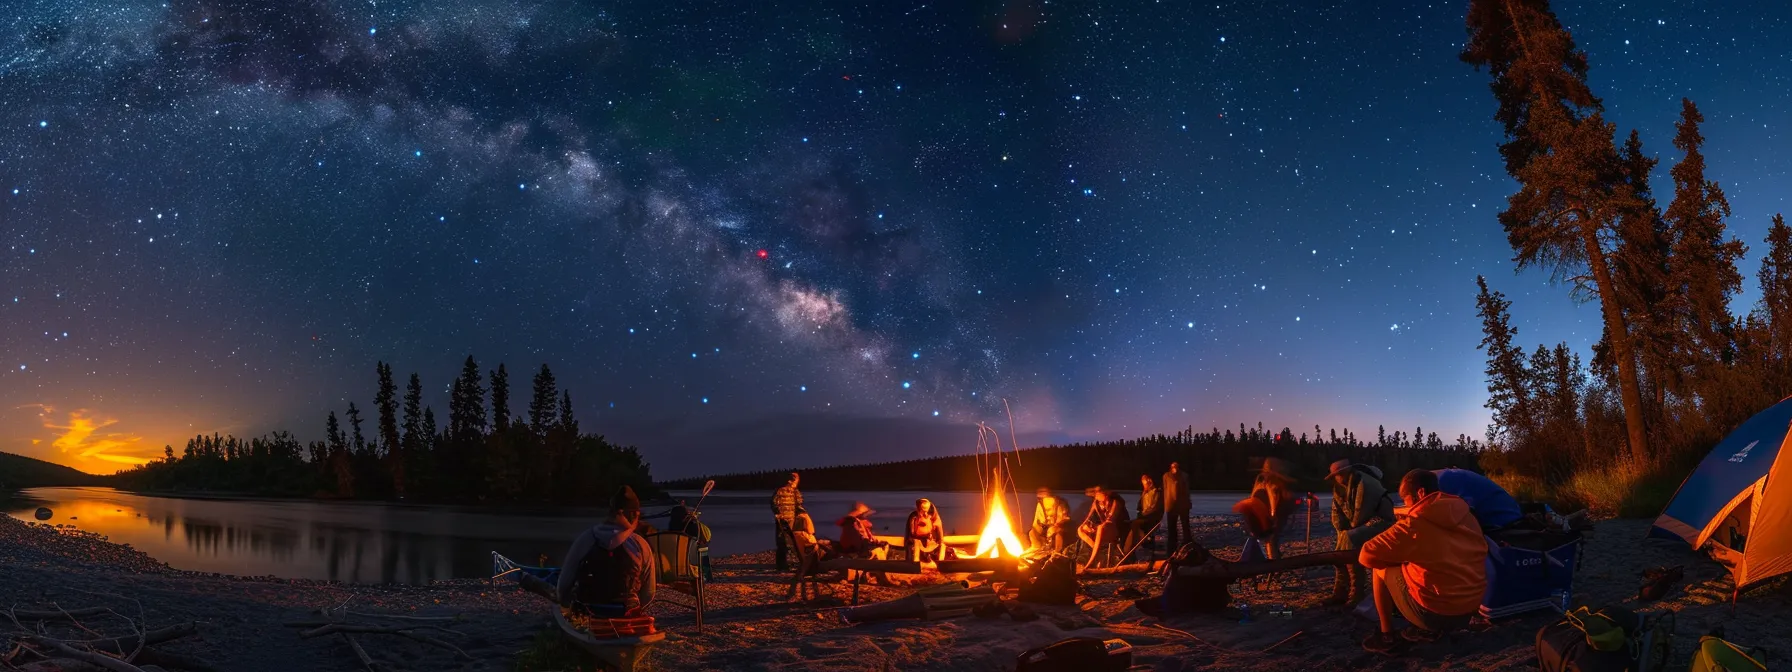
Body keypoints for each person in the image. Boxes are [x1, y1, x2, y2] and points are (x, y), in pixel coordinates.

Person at [1358, 470, 1488, 653]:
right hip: (1471, 608)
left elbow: (1367, 555)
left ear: (1420, 494)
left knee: (1380, 569)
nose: (1406, 505)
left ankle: (1387, 635)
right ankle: (1424, 630)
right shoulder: (1466, 514)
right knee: (1418, 565)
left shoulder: (1414, 523)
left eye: (1406, 499)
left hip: (1437, 614)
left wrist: (1399, 538)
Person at [557, 485, 657, 615]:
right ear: (633, 515)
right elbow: (649, 593)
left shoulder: (585, 539)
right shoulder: (640, 545)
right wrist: (637, 610)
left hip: (588, 611)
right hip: (626, 611)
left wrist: (565, 605)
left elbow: (563, 586)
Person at [1326, 459, 1395, 607]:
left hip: (1380, 521)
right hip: (1360, 523)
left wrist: (1349, 532)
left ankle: (1357, 591)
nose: (1336, 478)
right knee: (1340, 546)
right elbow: (1337, 514)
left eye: (1338, 475)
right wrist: (1341, 530)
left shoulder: (1366, 484)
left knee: (1351, 539)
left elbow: (1362, 512)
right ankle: (1340, 591)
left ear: (1345, 473)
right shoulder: (1341, 488)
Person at [1433, 468, 1522, 531]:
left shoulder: (1446, 482)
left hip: (1505, 526)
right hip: (1512, 517)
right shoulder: (1449, 476)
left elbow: (1465, 518)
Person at [837, 502, 891, 585]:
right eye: (864, 514)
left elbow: (865, 538)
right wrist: (874, 544)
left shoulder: (850, 523)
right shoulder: (854, 524)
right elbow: (861, 540)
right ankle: (884, 579)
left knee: (878, 548)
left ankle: (870, 575)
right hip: (856, 552)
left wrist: (875, 542)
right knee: (878, 552)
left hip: (852, 549)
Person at [1077, 486, 1129, 571]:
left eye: (1098, 494)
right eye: (1095, 494)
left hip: (1117, 529)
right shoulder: (1096, 503)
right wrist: (1087, 526)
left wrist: (1097, 527)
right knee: (1080, 529)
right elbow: (1088, 518)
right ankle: (1099, 553)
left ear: (1105, 494)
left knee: (1101, 528)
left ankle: (1090, 563)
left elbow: (1110, 520)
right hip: (1104, 528)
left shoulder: (1115, 502)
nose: (1096, 496)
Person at [771, 472, 804, 571]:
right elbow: (773, 503)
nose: (796, 482)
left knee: (791, 542)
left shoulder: (794, 491)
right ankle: (782, 565)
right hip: (783, 520)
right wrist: (778, 514)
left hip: (791, 519)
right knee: (783, 542)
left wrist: (802, 514)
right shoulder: (781, 490)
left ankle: (788, 563)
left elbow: (799, 504)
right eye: (795, 480)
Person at [1128, 474, 1164, 562]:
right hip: (1145, 518)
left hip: (1152, 519)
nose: (1146, 485)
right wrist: (1139, 514)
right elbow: (1139, 507)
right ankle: (1129, 551)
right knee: (1129, 525)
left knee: (1135, 525)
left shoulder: (1157, 493)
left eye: (1147, 482)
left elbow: (1155, 509)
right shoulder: (1145, 493)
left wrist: (1143, 515)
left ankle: (1129, 551)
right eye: (1144, 483)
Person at [1029, 487, 1073, 554]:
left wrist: (1056, 526)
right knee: (1032, 533)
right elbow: (1037, 522)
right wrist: (1036, 530)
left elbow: (1064, 519)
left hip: (1060, 527)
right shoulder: (1040, 504)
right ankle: (1036, 550)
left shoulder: (1060, 503)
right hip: (1046, 528)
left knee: (1056, 533)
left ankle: (1057, 554)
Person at [1163, 462, 1192, 555]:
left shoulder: (1184, 476)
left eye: (1176, 467)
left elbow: (1186, 490)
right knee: (1172, 529)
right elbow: (1165, 489)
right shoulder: (1166, 476)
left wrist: (1188, 502)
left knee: (1185, 527)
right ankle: (1171, 550)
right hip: (1171, 505)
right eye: (1172, 466)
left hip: (1182, 504)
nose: (1174, 468)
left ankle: (1188, 546)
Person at [904, 498, 947, 563]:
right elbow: (910, 533)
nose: (925, 514)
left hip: (930, 542)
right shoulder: (913, 517)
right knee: (915, 544)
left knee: (942, 546)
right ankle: (914, 564)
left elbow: (940, 535)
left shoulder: (934, 518)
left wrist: (939, 541)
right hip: (916, 542)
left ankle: (941, 563)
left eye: (926, 511)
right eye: (923, 511)